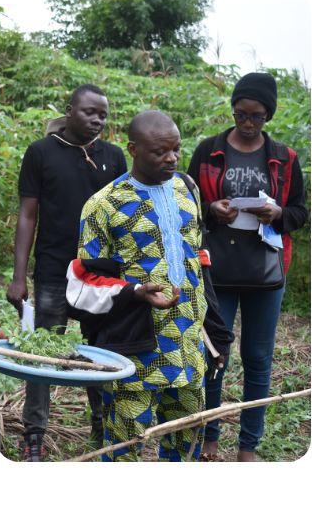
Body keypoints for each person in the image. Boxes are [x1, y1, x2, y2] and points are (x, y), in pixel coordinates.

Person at [75, 110, 208, 462]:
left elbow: (197, 259)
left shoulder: (186, 190)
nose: (172, 158)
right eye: (160, 151)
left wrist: (216, 332)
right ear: (133, 149)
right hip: (133, 350)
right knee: (123, 449)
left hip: (187, 349)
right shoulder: (104, 205)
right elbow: (84, 283)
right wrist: (133, 292)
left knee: (186, 443)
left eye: (176, 150)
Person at [9, 82, 125, 460]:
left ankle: (102, 424)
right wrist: (17, 276)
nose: (97, 120)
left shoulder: (114, 157)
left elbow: (122, 218)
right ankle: (34, 434)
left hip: (100, 274)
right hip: (54, 270)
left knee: (100, 351)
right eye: (90, 112)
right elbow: (28, 215)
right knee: (44, 353)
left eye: (103, 115)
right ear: (70, 110)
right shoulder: (41, 152)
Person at [195, 72, 308, 462]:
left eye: (256, 117)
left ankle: (248, 445)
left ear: (268, 116)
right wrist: (211, 210)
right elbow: (189, 203)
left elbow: (299, 212)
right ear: (233, 109)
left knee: (258, 357)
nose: (246, 123)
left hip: (266, 270)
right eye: (240, 114)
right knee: (214, 352)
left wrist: (278, 212)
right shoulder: (208, 150)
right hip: (217, 269)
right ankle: (209, 435)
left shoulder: (285, 158)